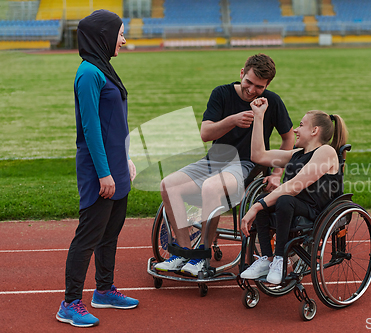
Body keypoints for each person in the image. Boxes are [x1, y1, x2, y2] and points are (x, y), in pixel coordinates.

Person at [156, 54, 295, 277]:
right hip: (214, 160)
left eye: (259, 87)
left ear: (267, 85)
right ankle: (182, 252)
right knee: (168, 185)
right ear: (242, 73)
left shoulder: (272, 101)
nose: (251, 90)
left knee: (212, 187)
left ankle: (202, 256)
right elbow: (205, 133)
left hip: (247, 164)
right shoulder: (221, 93)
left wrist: (277, 173)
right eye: (248, 82)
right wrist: (232, 120)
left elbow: (288, 138)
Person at [56, 10, 138, 328]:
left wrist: (125, 160)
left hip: (116, 165)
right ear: (104, 35)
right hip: (98, 169)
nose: (124, 39)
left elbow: (115, 124)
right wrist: (104, 172)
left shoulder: (105, 69)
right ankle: (70, 302)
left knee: (110, 234)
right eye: (120, 33)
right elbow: (91, 128)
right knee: (88, 235)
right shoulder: (89, 73)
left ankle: (104, 290)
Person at [240, 97, 348, 284]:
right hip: (292, 206)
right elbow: (258, 155)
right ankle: (268, 258)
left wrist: (256, 207)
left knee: (281, 200)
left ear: (315, 130)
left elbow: (295, 185)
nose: (296, 130)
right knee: (267, 198)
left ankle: (281, 258)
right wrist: (259, 117)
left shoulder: (326, 152)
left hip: (316, 212)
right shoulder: (296, 154)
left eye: (301, 125)